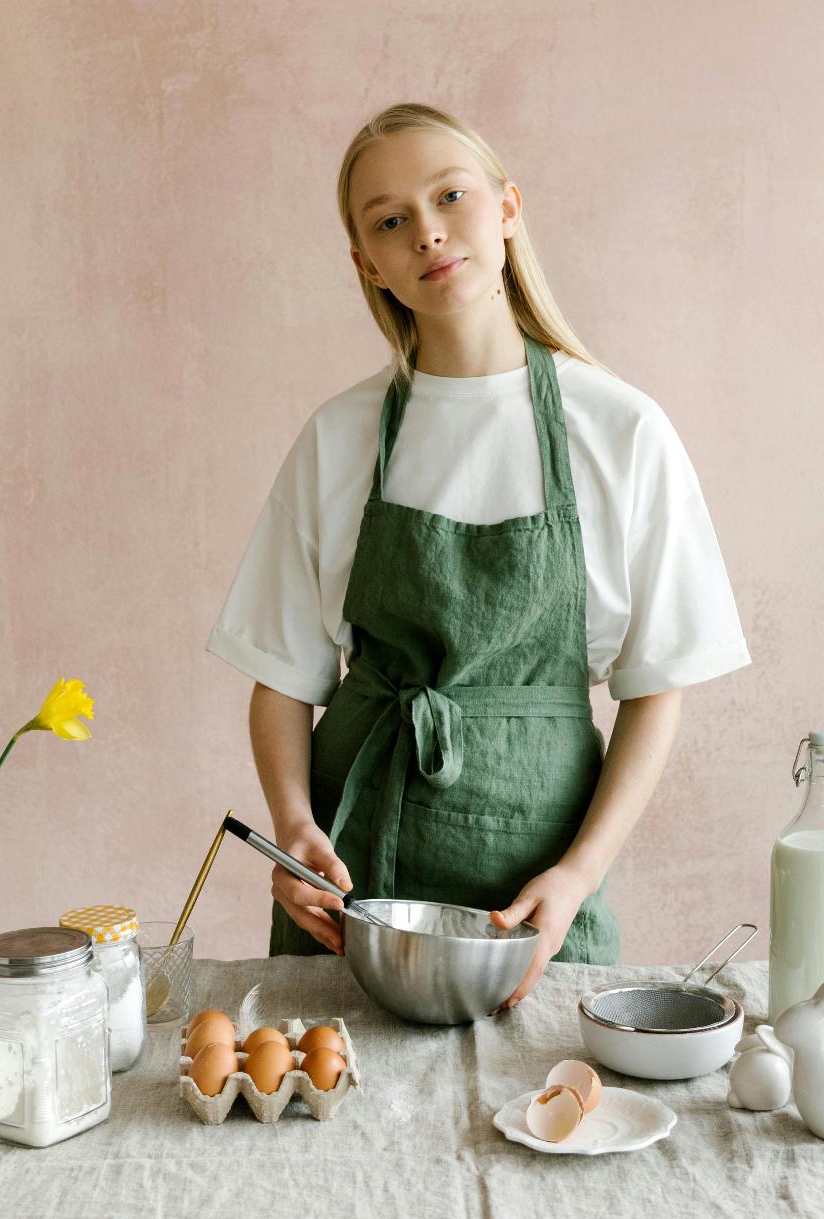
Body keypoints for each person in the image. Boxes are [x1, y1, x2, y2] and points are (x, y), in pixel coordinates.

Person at [206, 101, 751, 1008]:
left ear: (506, 207)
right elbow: (282, 675)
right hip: (354, 887)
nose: (426, 232)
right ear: (365, 262)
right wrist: (294, 827)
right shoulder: (340, 438)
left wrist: (577, 879)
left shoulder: (622, 431)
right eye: (389, 221)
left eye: (449, 196)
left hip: (532, 889)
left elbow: (659, 689)